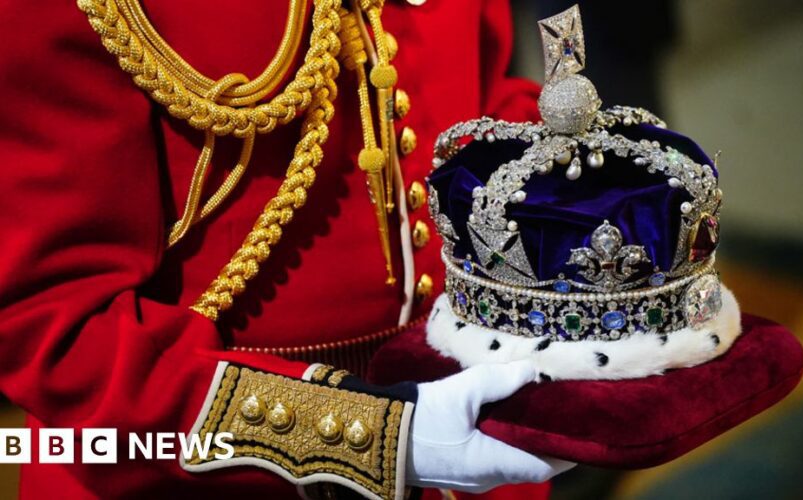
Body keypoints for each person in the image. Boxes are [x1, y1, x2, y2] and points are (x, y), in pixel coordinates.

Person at [0, 0, 572, 498]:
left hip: (482, 435)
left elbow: (476, 94)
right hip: (204, 474)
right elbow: (55, 330)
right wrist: (363, 433)